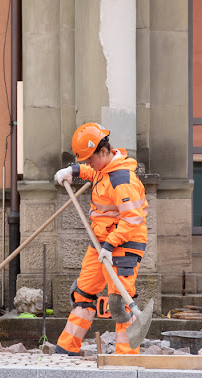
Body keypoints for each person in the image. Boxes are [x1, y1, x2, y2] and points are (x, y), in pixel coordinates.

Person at [53, 123, 148, 355]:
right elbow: (91, 172)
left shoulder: (122, 180)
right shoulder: (103, 169)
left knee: (120, 302)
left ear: (103, 152)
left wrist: (110, 244)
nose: (88, 164)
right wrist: (72, 171)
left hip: (123, 245)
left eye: (89, 159)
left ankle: (126, 357)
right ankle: (67, 348)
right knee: (83, 293)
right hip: (100, 244)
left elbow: (133, 219)